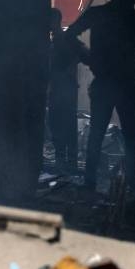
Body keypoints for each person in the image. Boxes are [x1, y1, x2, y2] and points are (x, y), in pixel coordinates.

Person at [66, 0, 135, 190]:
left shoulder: (100, 14)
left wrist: (87, 56)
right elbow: (69, 35)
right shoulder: (131, 18)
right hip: (121, 83)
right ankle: (130, 182)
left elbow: (70, 35)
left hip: (110, 82)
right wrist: (88, 56)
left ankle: (92, 182)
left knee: (100, 134)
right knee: (126, 134)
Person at [47, 9, 87, 173]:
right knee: (56, 123)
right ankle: (62, 159)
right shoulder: (51, 41)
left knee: (67, 124)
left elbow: (81, 53)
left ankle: (69, 161)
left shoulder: (65, 38)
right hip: (58, 88)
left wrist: (68, 70)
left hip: (66, 88)